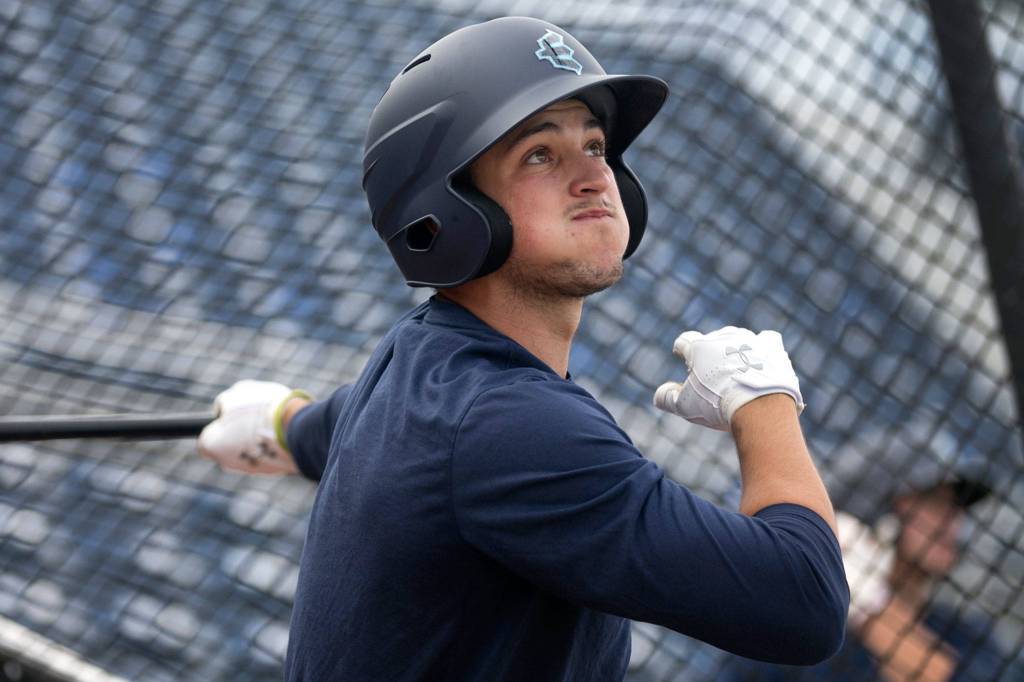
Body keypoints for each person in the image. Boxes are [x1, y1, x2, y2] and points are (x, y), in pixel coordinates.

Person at [197, 16, 849, 680]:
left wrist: (282, 423)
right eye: (540, 154)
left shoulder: (416, 364)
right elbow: (804, 602)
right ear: (450, 211)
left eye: (595, 146)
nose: (594, 177)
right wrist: (762, 397)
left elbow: (334, 424)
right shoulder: (511, 426)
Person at [720, 474, 1023, 681]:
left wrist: (870, 600)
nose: (951, 523)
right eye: (933, 503)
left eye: (955, 509)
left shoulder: (965, 634)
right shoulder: (799, 634)